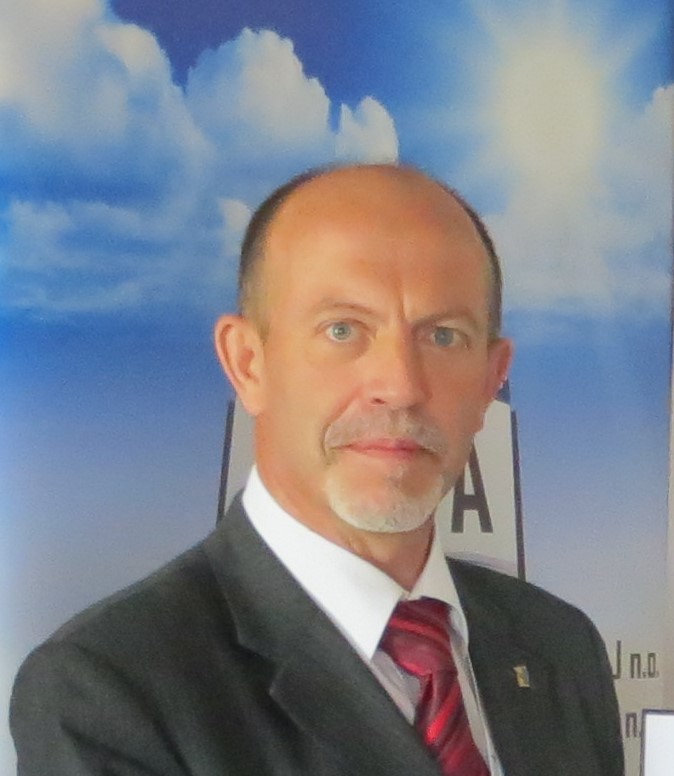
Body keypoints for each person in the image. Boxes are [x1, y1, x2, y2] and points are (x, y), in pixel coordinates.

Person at [11, 163, 624, 776]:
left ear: (492, 378)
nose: (400, 386)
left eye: (443, 336)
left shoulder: (558, 647)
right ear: (248, 363)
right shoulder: (111, 689)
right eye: (343, 329)